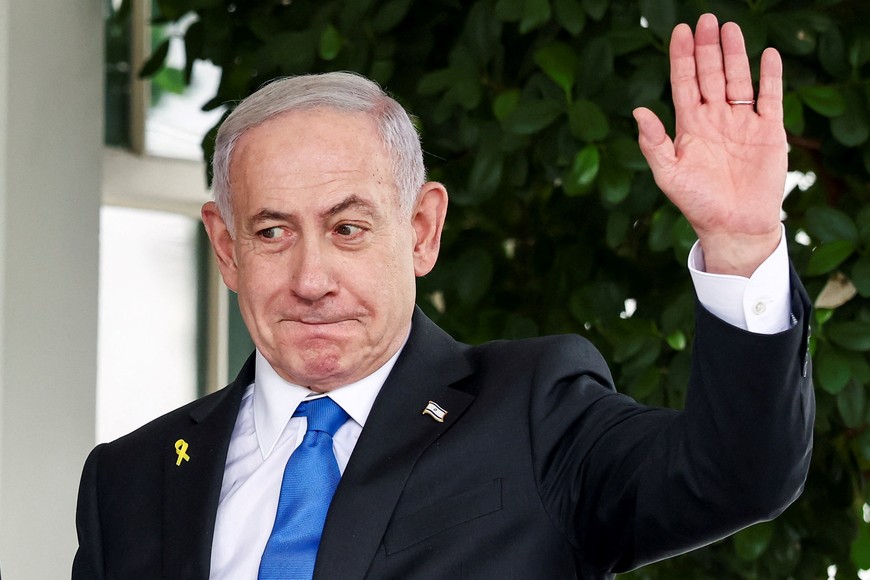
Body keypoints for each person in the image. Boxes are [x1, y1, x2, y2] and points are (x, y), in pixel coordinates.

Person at [73, 13, 814, 580]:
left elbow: (735, 477)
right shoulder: (129, 481)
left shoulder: (535, 414)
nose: (311, 278)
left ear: (422, 230)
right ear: (226, 247)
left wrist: (741, 246)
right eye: (272, 232)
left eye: (348, 228)